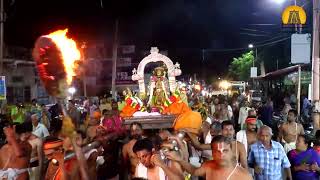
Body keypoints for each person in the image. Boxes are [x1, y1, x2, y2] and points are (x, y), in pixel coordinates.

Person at [166, 135, 252, 180]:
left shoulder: (244, 176)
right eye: (217, 151)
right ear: (212, 153)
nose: (221, 155)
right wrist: (179, 160)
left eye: (225, 151)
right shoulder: (208, 166)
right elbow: (194, 171)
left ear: (231, 152)